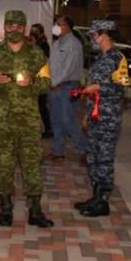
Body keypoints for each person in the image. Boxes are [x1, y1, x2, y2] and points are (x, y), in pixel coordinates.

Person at [0, 10, 54, 228]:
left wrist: (31, 82)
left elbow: (47, 82)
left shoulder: (37, 54)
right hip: (3, 122)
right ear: (4, 27)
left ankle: (36, 211)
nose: (14, 30)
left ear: (24, 28)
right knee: (3, 165)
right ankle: (6, 209)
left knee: (32, 165)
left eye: (18, 26)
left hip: (29, 121)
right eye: (9, 26)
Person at [75, 20, 130, 217]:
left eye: (93, 35)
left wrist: (99, 87)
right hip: (95, 117)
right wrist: (86, 116)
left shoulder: (117, 58)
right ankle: (96, 197)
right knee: (93, 158)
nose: (92, 39)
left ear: (104, 34)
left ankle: (103, 202)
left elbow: (122, 90)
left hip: (108, 119)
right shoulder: (99, 58)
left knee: (104, 160)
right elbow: (92, 93)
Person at [47, 15, 87, 161]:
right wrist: (51, 83)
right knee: (56, 119)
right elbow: (51, 66)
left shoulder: (74, 44)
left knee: (67, 120)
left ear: (69, 27)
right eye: (55, 24)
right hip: (55, 86)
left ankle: (86, 150)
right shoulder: (56, 43)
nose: (56, 27)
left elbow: (69, 68)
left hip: (67, 86)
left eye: (60, 24)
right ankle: (58, 150)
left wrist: (56, 82)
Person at [30, 23, 53, 139]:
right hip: (33, 77)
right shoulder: (34, 43)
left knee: (41, 104)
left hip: (41, 78)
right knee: (36, 104)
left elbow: (42, 59)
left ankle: (48, 128)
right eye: (32, 31)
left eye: (35, 31)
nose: (33, 33)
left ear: (41, 32)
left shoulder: (44, 44)